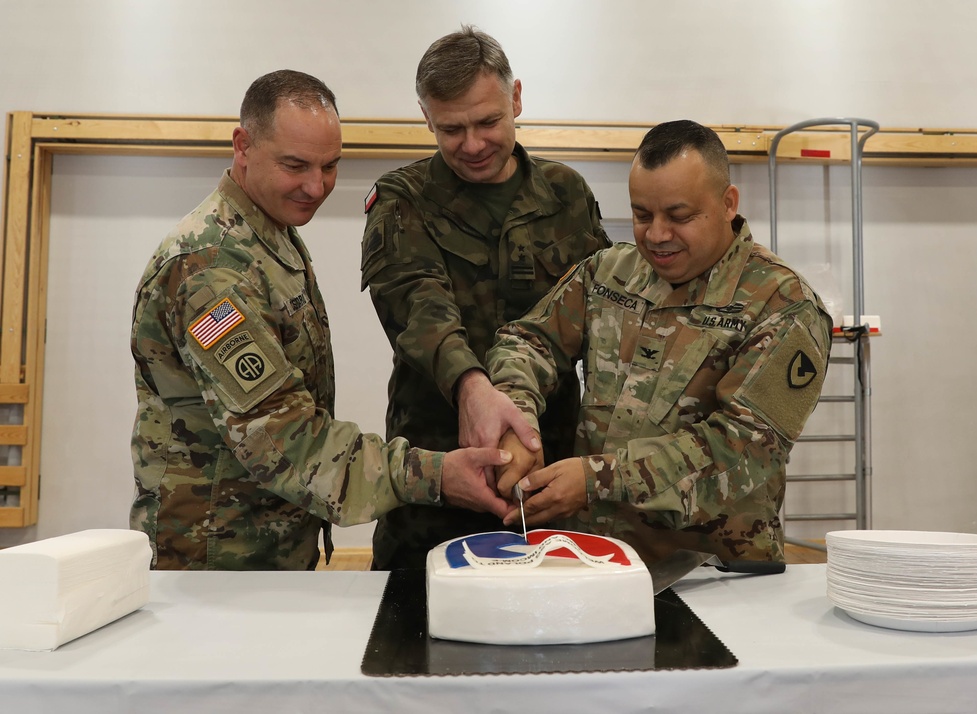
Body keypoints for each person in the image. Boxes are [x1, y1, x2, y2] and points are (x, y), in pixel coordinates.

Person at [130, 70, 511, 571]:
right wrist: (433, 474)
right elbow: (287, 441)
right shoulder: (211, 267)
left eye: (330, 166)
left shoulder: (269, 233)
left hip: (266, 549)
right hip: (212, 562)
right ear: (242, 145)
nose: (316, 186)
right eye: (295, 165)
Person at [486, 120, 833, 564]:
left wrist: (596, 480)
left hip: (711, 572)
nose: (656, 235)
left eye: (679, 216)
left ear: (728, 204)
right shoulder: (610, 273)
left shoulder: (783, 306)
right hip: (597, 558)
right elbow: (527, 340)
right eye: (641, 215)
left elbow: (744, 450)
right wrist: (519, 421)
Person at [361, 27, 611, 570]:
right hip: (438, 483)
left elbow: (605, 315)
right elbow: (418, 308)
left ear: (516, 98)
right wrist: (472, 389)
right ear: (426, 117)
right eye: (451, 129)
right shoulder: (403, 200)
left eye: (488, 122)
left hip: (547, 482)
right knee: (409, 644)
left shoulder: (567, 194)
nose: (472, 144)